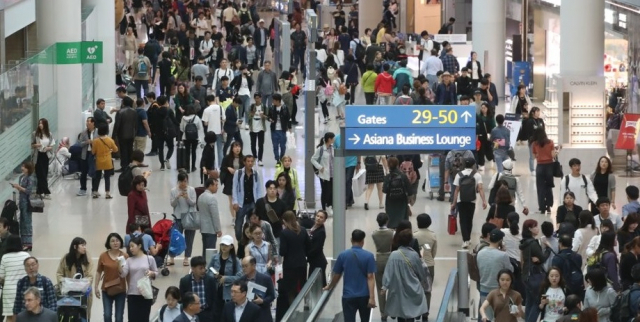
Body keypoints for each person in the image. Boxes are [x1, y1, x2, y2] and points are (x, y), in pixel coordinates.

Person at [324, 229, 376, 322]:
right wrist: (372, 298)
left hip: (348, 295)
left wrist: (329, 286)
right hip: (364, 295)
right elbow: (370, 277)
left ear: (351, 240)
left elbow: (337, 275)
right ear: (362, 241)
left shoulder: (343, 255)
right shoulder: (369, 256)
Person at [381, 229, 429, 321]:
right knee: (411, 313)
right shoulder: (414, 255)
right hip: (413, 288)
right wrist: (423, 282)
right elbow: (421, 273)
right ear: (411, 241)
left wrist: (385, 286)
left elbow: (388, 271)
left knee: (401, 312)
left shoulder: (394, 255)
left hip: (398, 289)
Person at [119, 236, 158, 322]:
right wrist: (119, 265)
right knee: (132, 319)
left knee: (144, 318)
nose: (131, 248)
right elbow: (123, 274)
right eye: (129, 247)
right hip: (132, 293)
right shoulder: (129, 260)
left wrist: (152, 273)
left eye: (132, 246)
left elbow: (156, 272)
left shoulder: (149, 258)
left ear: (139, 246)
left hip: (146, 293)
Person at [451, 158, 486, 248]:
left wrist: (454, 203)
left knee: (462, 220)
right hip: (472, 200)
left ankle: (465, 240)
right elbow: (480, 188)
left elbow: (456, 190)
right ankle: (468, 239)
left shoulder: (459, 175)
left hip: (460, 201)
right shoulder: (477, 175)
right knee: (469, 220)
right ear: (473, 165)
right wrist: (484, 201)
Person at [56, 237, 94, 319]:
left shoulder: (87, 259)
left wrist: (83, 284)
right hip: (69, 294)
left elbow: (90, 276)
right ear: (75, 246)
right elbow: (59, 274)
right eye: (82, 245)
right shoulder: (66, 259)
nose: (85, 247)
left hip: (84, 294)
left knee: (84, 315)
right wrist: (65, 283)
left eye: (85, 245)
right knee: (70, 315)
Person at [94, 233, 127, 322]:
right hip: (106, 290)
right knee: (107, 315)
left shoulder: (125, 256)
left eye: (117, 241)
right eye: (112, 241)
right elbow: (98, 271)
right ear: (108, 243)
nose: (115, 243)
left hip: (121, 290)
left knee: (119, 317)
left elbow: (127, 273)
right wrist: (96, 287)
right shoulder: (103, 256)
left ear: (120, 242)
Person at [208, 235, 243, 318]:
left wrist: (226, 278)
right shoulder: (215, 258)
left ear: (231, 246)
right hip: (216, 290)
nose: (224, 247)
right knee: (216, 314)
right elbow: (208, 271)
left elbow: (240, 276)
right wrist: (214, 275)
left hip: (228, 292)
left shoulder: (235, 260)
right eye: (222, 245)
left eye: (226, 245)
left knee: (227, 314)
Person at [520, 219, 547, 322]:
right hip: (535, 276)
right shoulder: (533, 244)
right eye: (535, 226)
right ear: (530, 229)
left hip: (526, 275)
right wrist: (548, 249)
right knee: (537, 303)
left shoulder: (524, 242)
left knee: (529, 302)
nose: (537, 228)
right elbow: (543, 258)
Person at [232, 155, 263, 240]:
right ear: (244, 162)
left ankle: (249, 242)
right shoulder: (238, 173)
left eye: (251, 161)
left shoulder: (256, 174)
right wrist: (235, 202)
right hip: (241, 204)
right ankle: (239, 241)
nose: (250, 163)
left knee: (251, 225)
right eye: (248, 161)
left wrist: (259, 203)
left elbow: (259, 189)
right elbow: (234, 188)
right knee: (238, 226)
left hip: (252, 203)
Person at [0, 236, 30, 322]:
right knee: (24, 315)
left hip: (9, 291)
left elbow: (1, 276)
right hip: (24, 289)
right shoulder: (26, 255)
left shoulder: (5, 257)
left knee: (10, 316)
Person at [178, 257, 217, 321]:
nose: (203, 270)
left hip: (207, 314)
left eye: (204, 268)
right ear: (193, 269)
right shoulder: (185, 281)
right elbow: (182, 299)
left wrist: (212, 313)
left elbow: (214, 298)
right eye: (200, 268)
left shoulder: (210, 280)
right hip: (191, 314)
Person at [170, 172, 197, 265]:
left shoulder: (191, 190)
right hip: (178, 217)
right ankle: (172, 257)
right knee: (175, 238)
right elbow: (172, 204)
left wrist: (187, 198)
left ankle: (186, 257)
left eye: (185, 181)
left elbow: (193, 203)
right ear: (178, 181)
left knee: (189, 238)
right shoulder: (173, 191)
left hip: (189, 217)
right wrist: (177, 197)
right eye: (181, 181)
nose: (183, 184)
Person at [239, 256, 276, 322]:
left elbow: (272, 295)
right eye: (242, 266)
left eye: (246, 266)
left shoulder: (265, 279)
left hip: (262, 314)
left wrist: (263, 301)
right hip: (247, 315)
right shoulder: (241, 280)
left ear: (253, 266)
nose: (244, 269)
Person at [10, 162, 35, 251]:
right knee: (22, 221)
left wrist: (19, 187)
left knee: (27, 222)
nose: (22, 168)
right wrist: (17, 187)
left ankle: (28, 243)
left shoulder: (30, 178)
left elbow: (28, 191)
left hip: (28, 203)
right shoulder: (21, 177)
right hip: (22, 202)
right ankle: (23, 242)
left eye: (24, 167)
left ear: (28, 169)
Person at [531, 128, 556, 214]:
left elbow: (534, 157)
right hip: (549, 166)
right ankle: (549, 206)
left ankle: (542, 207)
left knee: (540, 188)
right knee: (548, 186)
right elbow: (553, 155)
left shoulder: (535, 144)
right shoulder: (550, 142)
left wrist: (539, 155)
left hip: (540, 166)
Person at [383, 157, 411, 228]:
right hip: (402, 201)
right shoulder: (403, 176)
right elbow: (409, 190)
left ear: (388, 165)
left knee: (391, 218)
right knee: (402, 217)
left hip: (390, 201)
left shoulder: (387, 177)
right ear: (398, 165)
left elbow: (384, 190)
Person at [311, 132, 336, 213]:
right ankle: (324, 208)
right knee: (325, 191)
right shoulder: (321, 149)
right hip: (324, 175)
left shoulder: (333, 149)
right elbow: (313, 159)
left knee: (332, 191)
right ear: (329, 139)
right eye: (333, 138)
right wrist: (320, 167)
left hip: (333, 174)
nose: (334, 140)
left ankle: (330, 205)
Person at [198, 177, 223, 258]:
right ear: (210, 186)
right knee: (210, 251)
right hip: (211, 229)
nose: (217, 187)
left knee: (205, 249)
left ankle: (203, 266)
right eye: (216, 185)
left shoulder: (201, 196)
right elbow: (215, 215)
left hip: (203, 227)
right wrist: (218, 229)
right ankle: (209, 267)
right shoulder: (212, 198)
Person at [31, 118, 54, 199]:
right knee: (39, 174)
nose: (40, 125)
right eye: (39, 123)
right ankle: (45, 191)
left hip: (46, 155)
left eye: (42, 123)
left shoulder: (49, 134)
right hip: (38, 155)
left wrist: (48, 148)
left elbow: (51, 145)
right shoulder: (35, 134)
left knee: (44, 173)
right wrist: (37, 145)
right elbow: (32, 144)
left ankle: (40, 191)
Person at [112, 97, 138, 170]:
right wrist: (135, 133)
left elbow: (117, 125)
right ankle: (130, 164)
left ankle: (124, 166)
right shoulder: (134, 111)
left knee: (123, 151)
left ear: (123, 103)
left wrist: (113, 136)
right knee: (130, 150)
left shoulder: (120, 112)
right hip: (131, 134)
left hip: (122, 134)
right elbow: (136, 124)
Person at [268, 93, 292, 163]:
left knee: (283, 146)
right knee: (275, 146)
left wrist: (289, 127)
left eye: (274, 100)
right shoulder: (272, 108)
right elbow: (268, 116)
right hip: (274, 130)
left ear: (278, 101)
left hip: (282, 130)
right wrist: (270, 119)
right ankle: (277, 159)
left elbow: (288, 118)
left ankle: (282, 158)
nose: (273, 101)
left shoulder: (284, 108)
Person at [307, 210, 328, 286]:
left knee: (318, 284)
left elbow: (316, 248)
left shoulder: (321, 232)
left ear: (324, 220)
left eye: (321, 217)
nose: (318, 218)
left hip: (318, 262)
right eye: (318, 216)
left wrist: (306, 255)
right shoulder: (314, 226)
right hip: (313, 261)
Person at [77, 117, 96, 196]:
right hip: (85, 154)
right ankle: (83, 188)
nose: (87, 123)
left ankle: (94, 189)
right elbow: (79, 143)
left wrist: (93, 142)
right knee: (83, 172)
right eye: (87, 121)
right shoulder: (83, 133)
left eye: (89, 121)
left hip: (94, 154)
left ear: (93, 123)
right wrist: (86, 142)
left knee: (94, 172)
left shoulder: (97, 132)